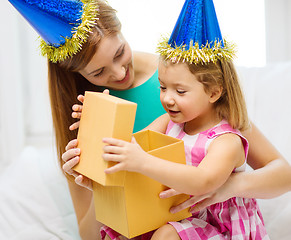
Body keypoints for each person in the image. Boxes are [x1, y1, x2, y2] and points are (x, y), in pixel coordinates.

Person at [8, 0, 291, 239]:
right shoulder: (89, 111)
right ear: (78, 76)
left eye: (120, 53)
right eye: (98, 73)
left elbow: (280, 172)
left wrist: (228, 186)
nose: (119, 73)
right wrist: (95, 166)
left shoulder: (184, 76)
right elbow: (91, 232)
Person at [100, 1, 269, 238]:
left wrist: (143, 162)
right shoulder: (167, 123)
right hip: (180, 215)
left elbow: (203, 181)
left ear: (213, 92)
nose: (167, 99)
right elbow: (129, 144)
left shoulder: (226, 140)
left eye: (180, 92)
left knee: (166, 235)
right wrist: (100, 114)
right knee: (117, 232)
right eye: (162, 87)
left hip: (221, 228)